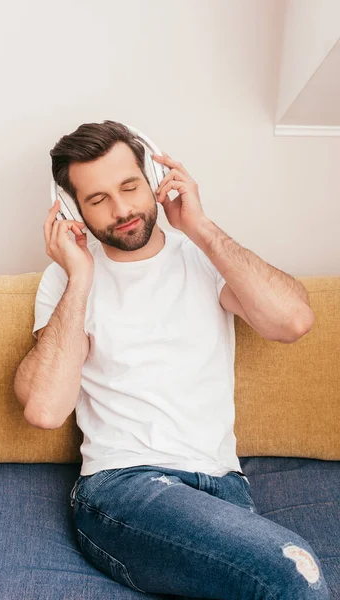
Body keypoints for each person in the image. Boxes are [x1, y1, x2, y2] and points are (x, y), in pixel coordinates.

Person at [29, 120, 329, 598]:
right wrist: (79, 277)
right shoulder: (64, 282)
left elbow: (292, 321)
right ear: (72, 209)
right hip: (124, 489)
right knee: (295, 573)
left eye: (130, 186)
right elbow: (45, 410)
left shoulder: (204, 257)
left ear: (153, 179)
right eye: (97, 199)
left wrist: (200, 226)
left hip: (225, 490)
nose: (122, 209)